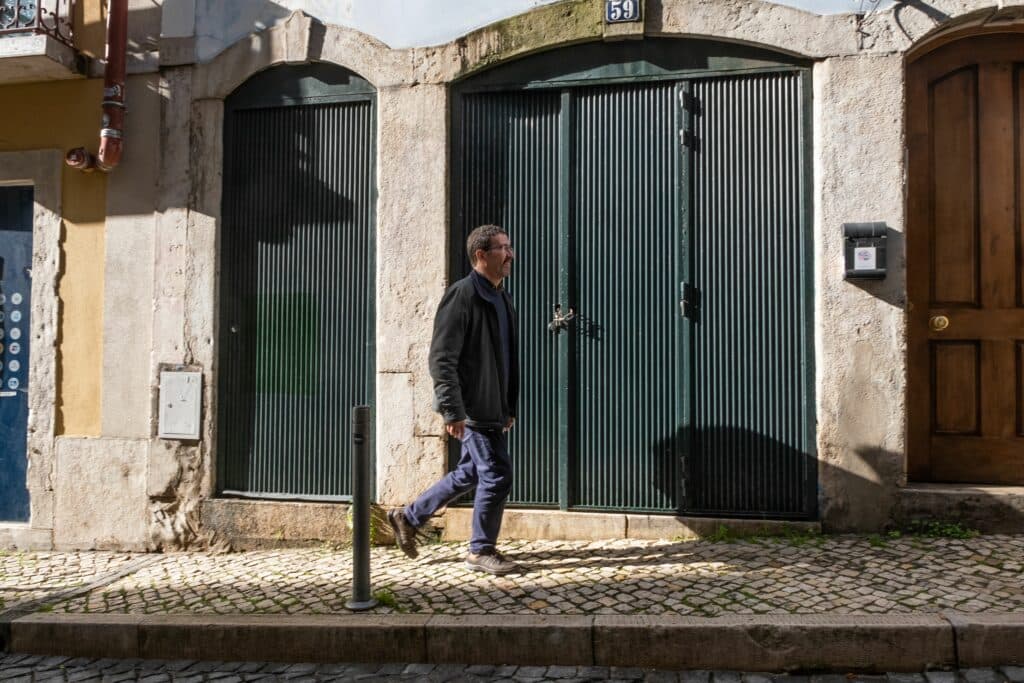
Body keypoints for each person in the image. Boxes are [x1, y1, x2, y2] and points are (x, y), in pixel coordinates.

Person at [387, 224, 521, 576]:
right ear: (481, 254)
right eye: (502, 248)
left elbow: (504, 359)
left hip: (491, 407)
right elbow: (442, 357)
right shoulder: (463, 295)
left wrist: (507, 407)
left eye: (509, 247)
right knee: (496, 474)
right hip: (473, 408)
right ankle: (480, 550)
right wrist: (452, 409)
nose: (510, 254)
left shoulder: (501, 297)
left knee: (470, 472)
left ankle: (409, 517)